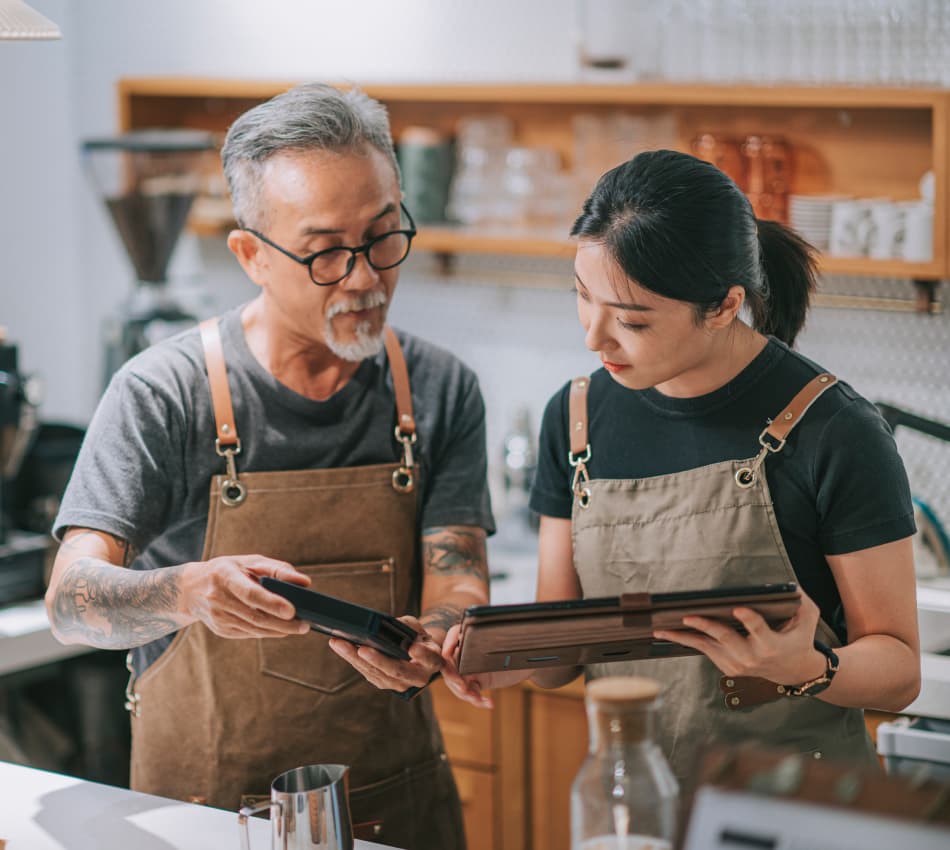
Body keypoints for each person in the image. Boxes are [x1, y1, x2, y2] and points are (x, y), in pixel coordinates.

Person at [45, 82, 493, 849]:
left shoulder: (441, 388)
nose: (364, 277)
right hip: (205, 817)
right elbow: (67, 601)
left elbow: (458, 571)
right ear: (250, 254)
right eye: (324, 253)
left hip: (398, 810)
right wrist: (187, 591)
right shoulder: (163, 393)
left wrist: (440, 637)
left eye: (384, 236)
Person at [445, 149, 920, 782]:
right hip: (636, 794)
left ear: (724, 306)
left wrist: (807, 667)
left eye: (631, 320)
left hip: (796, 805)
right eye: (582, 297)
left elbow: (900, 672)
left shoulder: (834, 430)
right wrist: (496, 657)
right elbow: (563, 652)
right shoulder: (577, 416)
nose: (594, 337)